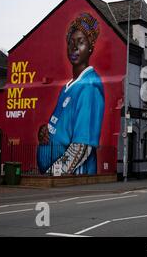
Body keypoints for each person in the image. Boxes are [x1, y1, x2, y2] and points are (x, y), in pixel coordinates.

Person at [37, 12, 105, 175]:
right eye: (71, 42)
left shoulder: (89, 87)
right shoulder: (68, 87)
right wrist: (45, 130)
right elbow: (61, 127)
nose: (74, 47)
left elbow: (80, 147)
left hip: (73, 178)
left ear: (91, 47)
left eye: (80, 42)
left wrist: (52, 174)